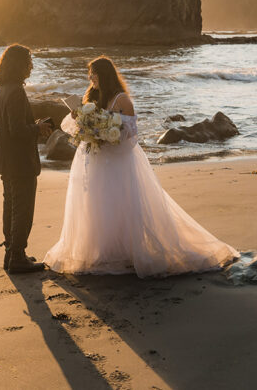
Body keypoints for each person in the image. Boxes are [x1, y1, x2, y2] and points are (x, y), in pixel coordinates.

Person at [43, 56, 239, 277]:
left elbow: (130, 133)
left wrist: (106, 133)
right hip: (94, 158)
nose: (90, 78)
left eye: (94, 73)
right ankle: (101, 251)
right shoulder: (92, 96)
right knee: (96, 203)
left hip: (117, 159)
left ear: (104, 74)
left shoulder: (122, 99)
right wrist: (80, 119)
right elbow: (78, 128)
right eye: (89, 74)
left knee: (120, 202)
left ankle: (126, 251)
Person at [0, 44, 53, 274]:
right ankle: (17, 256)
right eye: (28, 61)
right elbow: (16, 130)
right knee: (22, 209)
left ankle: (11, 253)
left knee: (11, 206)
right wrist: (37, 128)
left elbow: (7, 127)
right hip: (19, 160)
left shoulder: (1, 89)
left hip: (5, 159)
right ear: (19, 64)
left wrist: (33, 126)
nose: (31, 65)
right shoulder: (15, 90)